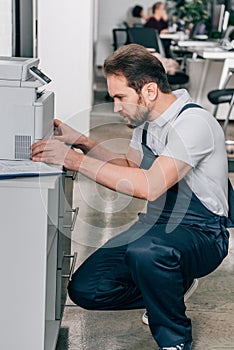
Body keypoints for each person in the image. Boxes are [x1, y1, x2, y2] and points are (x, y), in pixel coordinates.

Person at [31, 44, 230, 350]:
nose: (116, 107)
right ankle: (170, 285)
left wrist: (73, 160)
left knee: (147, 252)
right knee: (87, 289)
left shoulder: (193, 124)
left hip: (201, 233)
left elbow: (150, 186)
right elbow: (127, 168)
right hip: (155, 226)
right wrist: (81, 142)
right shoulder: (145, 124)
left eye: (120, 97)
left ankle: (175, 340)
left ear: (149, 91)